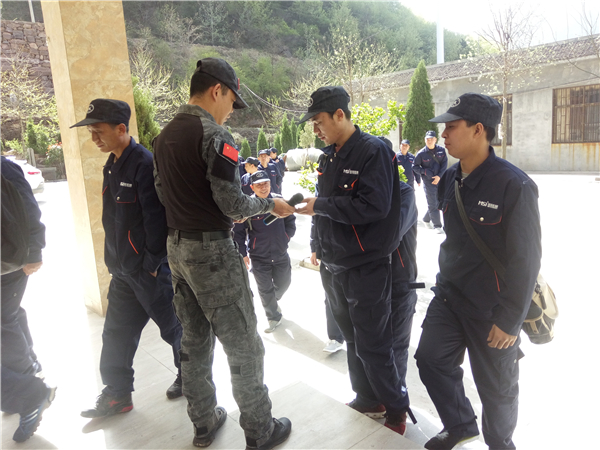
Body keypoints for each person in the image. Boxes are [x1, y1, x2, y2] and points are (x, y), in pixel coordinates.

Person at [152, 57, 293, 449]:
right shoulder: (216, 136)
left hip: (176, 249)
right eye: (232, 101)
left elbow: (162, 193)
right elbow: (232, 205)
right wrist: (270, 204)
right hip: (212, 253)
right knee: (244, 344)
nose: (231, 111)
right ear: (217, 90)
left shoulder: (163, 137)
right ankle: (260, 430)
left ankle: (203, 423)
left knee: (194, 342)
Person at [415, 93, 542, 450]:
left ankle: (500, 443)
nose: (443, 135)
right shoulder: (450, 177)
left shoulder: (514, 185)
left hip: (492, 310)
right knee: (430, 360)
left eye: (452, 127)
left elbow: (527, 260)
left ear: (478, 130)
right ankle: (460, 425)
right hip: (450, 299)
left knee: (496, 389)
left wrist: (510, 320)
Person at [296, 86, 414, 435]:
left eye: (319, 122)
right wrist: (317, 241)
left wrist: (320, 206)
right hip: (334, 264)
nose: (316, 129)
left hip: (365, 265)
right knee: (351, 339)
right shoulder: (328, 157)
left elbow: (373, 206)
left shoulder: (373, 151)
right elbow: (322, 208)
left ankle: (396, 408)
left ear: (340, 115)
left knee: (373, 344)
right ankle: (367, 397)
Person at [70, 99, 183, 418]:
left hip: (148, 272)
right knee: (116, 334)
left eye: (98, 131)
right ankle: (118, 395)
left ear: (121, 128)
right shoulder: (112, 164)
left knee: (175, 329)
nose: (94, 138)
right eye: (91, 132)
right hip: (122, 272)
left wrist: (151, 266)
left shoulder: (144, 163)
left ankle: (191, 377)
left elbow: (157, 220)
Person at [1, 156, 55, 443]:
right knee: (9, 316)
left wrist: (34, 251)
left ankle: (27, 388)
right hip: (8, 263)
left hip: (9, 263)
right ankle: (27, 374)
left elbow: (28, 207)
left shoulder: (4, 168)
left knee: (4, 320)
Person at [234, 171, 296, 333]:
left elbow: (291, 221)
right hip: (258, 256)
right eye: (259, 185)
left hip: (280, 253)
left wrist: (286, 237)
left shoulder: (280, 201)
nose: (263, 187)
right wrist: (243, 254)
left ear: (270, 183)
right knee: (264, 289)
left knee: (284, 283)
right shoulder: (248, 206)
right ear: (252, 187)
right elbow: (238, 233)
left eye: (265, 183)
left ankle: (272, 301)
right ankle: (273, 317)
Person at [413, 130, 447, 233]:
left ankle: (426, 219)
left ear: (435, 139)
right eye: (427, 139)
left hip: (440, 180)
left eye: (431, 139)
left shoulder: (441, 150)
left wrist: (439, 176)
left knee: (439, 202)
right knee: (432, 203)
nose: (429, 141)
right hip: (428, 182)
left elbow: (444, 164)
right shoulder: (421, 153)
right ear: (425, 140)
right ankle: (437, 225)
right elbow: (414, 167)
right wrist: (425, 171)